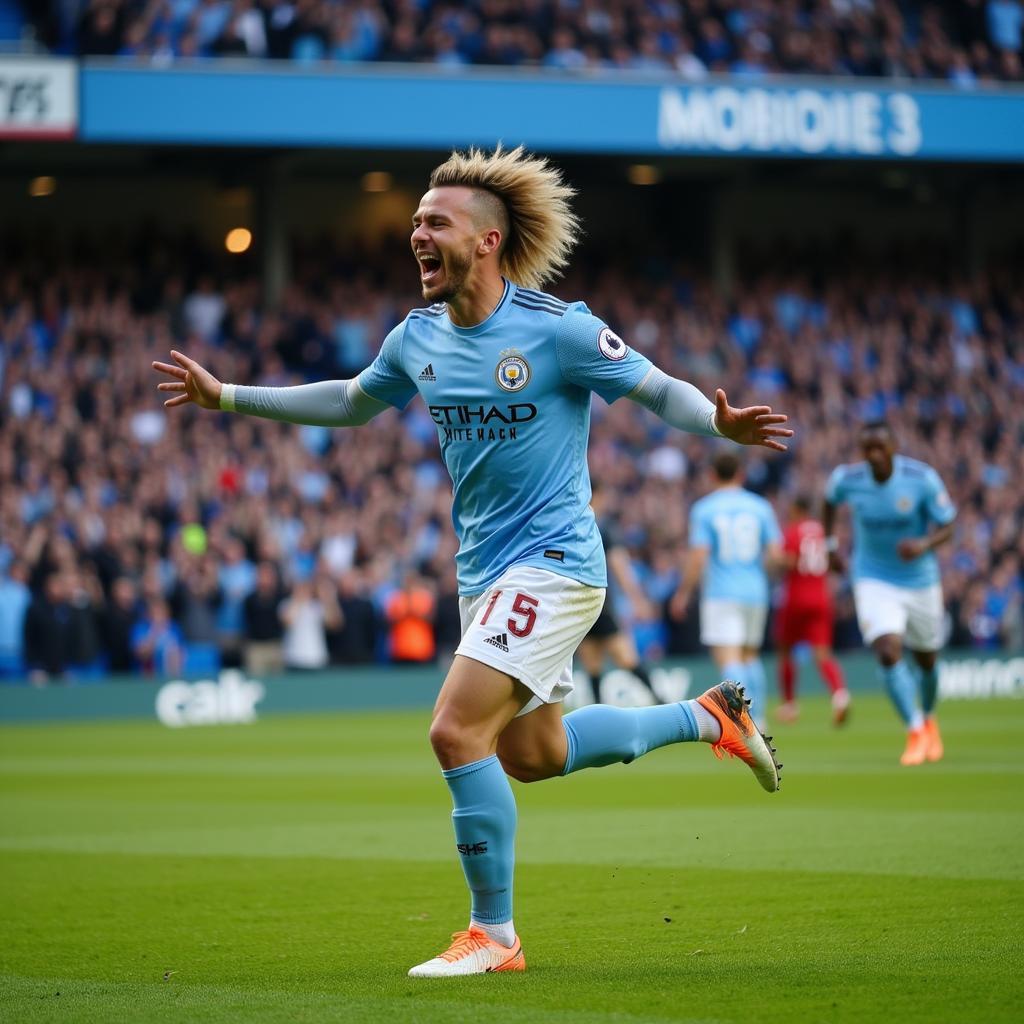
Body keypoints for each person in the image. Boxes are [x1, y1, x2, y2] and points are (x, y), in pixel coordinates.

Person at [153, 145, 791, 978]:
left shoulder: (558, 329)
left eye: (435, 222)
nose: (417, 233)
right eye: (416, 221)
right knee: (532, 754)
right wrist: (228, 396)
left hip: (558, 562)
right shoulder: (416, 338)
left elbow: (654, 387)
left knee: (455, 730)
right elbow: (350, 402)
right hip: (485, 574)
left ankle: (495, 934)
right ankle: (709, 716)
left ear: (486, 242)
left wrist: (721, 426)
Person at [824, 421, 956, 766]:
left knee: (927, 659)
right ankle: (913, 730)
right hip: (872, 577)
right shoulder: (848, 480)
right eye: (868, 449)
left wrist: (924, 544)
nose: (875, 455)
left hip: (920, 579)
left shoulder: (921, 479)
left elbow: (948, 525)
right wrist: (830, 545)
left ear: (894, 447)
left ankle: (928, 718)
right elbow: (828, 502)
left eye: (881, 448)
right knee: (887, 649)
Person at [669, 453, 782, 730]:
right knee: (750, 657)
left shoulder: (705, 509)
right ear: (741, 475)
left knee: (729, 660)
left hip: (722, 593)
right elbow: (776, 556)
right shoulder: (760, 507)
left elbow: (698, 557)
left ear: (711, 474)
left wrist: (683, 592)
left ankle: (745, 720)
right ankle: (761, 717)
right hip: (755, 592)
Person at [576, 481, 663, 704]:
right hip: (601, 602)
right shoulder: (604, 525)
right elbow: (619, 565)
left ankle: (596, 712)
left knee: (592, 662)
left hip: (577, 602)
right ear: (599, 494)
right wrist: (637, 599)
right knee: (626, 657)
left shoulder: (574, 522)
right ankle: (659, 699)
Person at [774, 495, 851, 725]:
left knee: (786, 650)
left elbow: (788, 561)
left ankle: (790, 705)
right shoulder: (822, 531)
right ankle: (839, 694)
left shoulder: (792, 530)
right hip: (821, 597)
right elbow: (837, 563)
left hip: (796, 597)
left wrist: (774, 561)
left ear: (797, 509)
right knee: (822, 653)